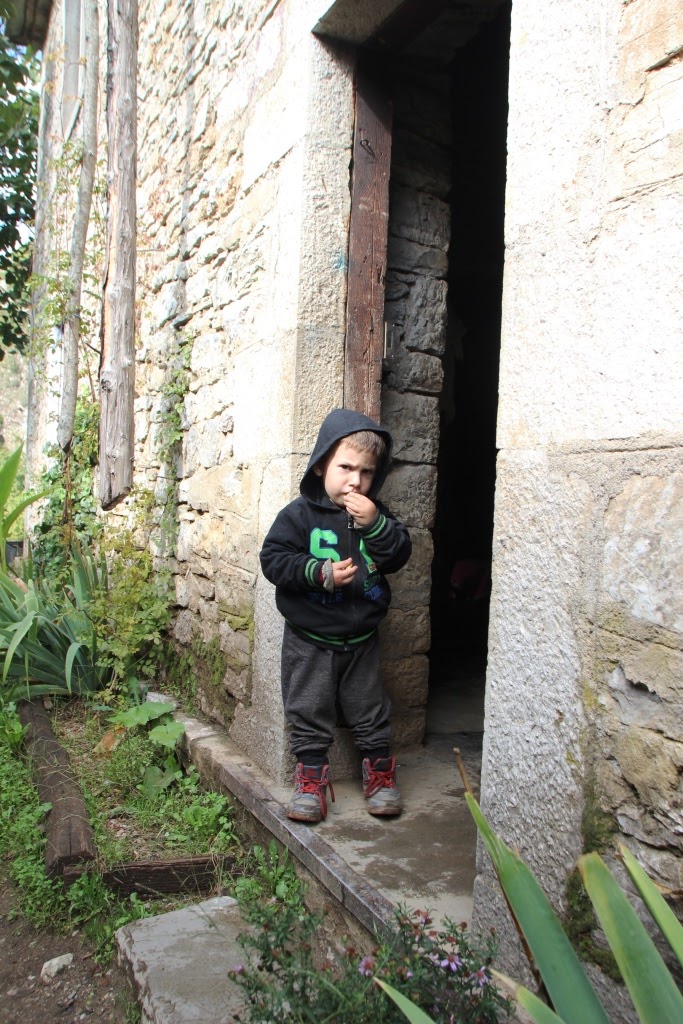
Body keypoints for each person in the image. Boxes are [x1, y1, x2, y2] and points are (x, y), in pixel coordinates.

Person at [259, 408, 412, 824]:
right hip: (310, 638)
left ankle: (380, 776)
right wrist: (317, 572)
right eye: (345, 467)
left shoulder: (376, 514)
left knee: (370, 708)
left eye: (366, 471)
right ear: (321, 464)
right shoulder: (297, 516)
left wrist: (376, 525)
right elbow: (273, 560)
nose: (355, 480)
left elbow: (399, 555)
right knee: (308, 708)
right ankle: (311, 781)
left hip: (362, 639)